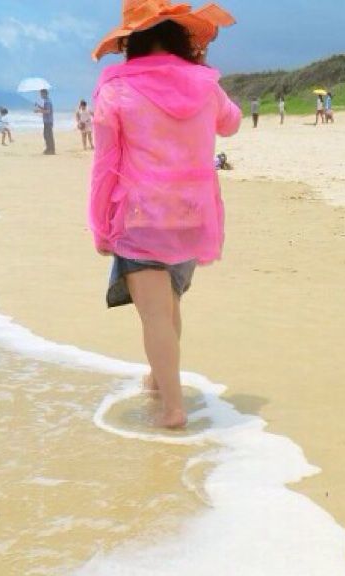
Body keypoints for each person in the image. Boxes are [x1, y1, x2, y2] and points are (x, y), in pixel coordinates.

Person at [89, 0, 240, 429]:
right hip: (193, 214)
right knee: (169, 302)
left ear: (131, 41)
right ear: (179, 35)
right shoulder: (205, 83)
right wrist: (197, 71)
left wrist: (100, 225)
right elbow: (231, 124)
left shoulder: (116, 87)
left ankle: (173, 409)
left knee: (155, 312)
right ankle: (158, 380)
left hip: (142, 214)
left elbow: (105, 164)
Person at [34, 89, 55, 155]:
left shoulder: (47, 101)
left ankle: (51, 150)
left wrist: (38, 111)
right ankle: (49, 149)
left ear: (45, 94)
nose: (41, 95)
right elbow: (45, 109)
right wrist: (38, 106)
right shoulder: (46, 101)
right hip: (47, 121)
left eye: (41, 94)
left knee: (48, 136)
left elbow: (48, 111)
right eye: (40, 94)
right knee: (46, 135)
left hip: (48, 121)